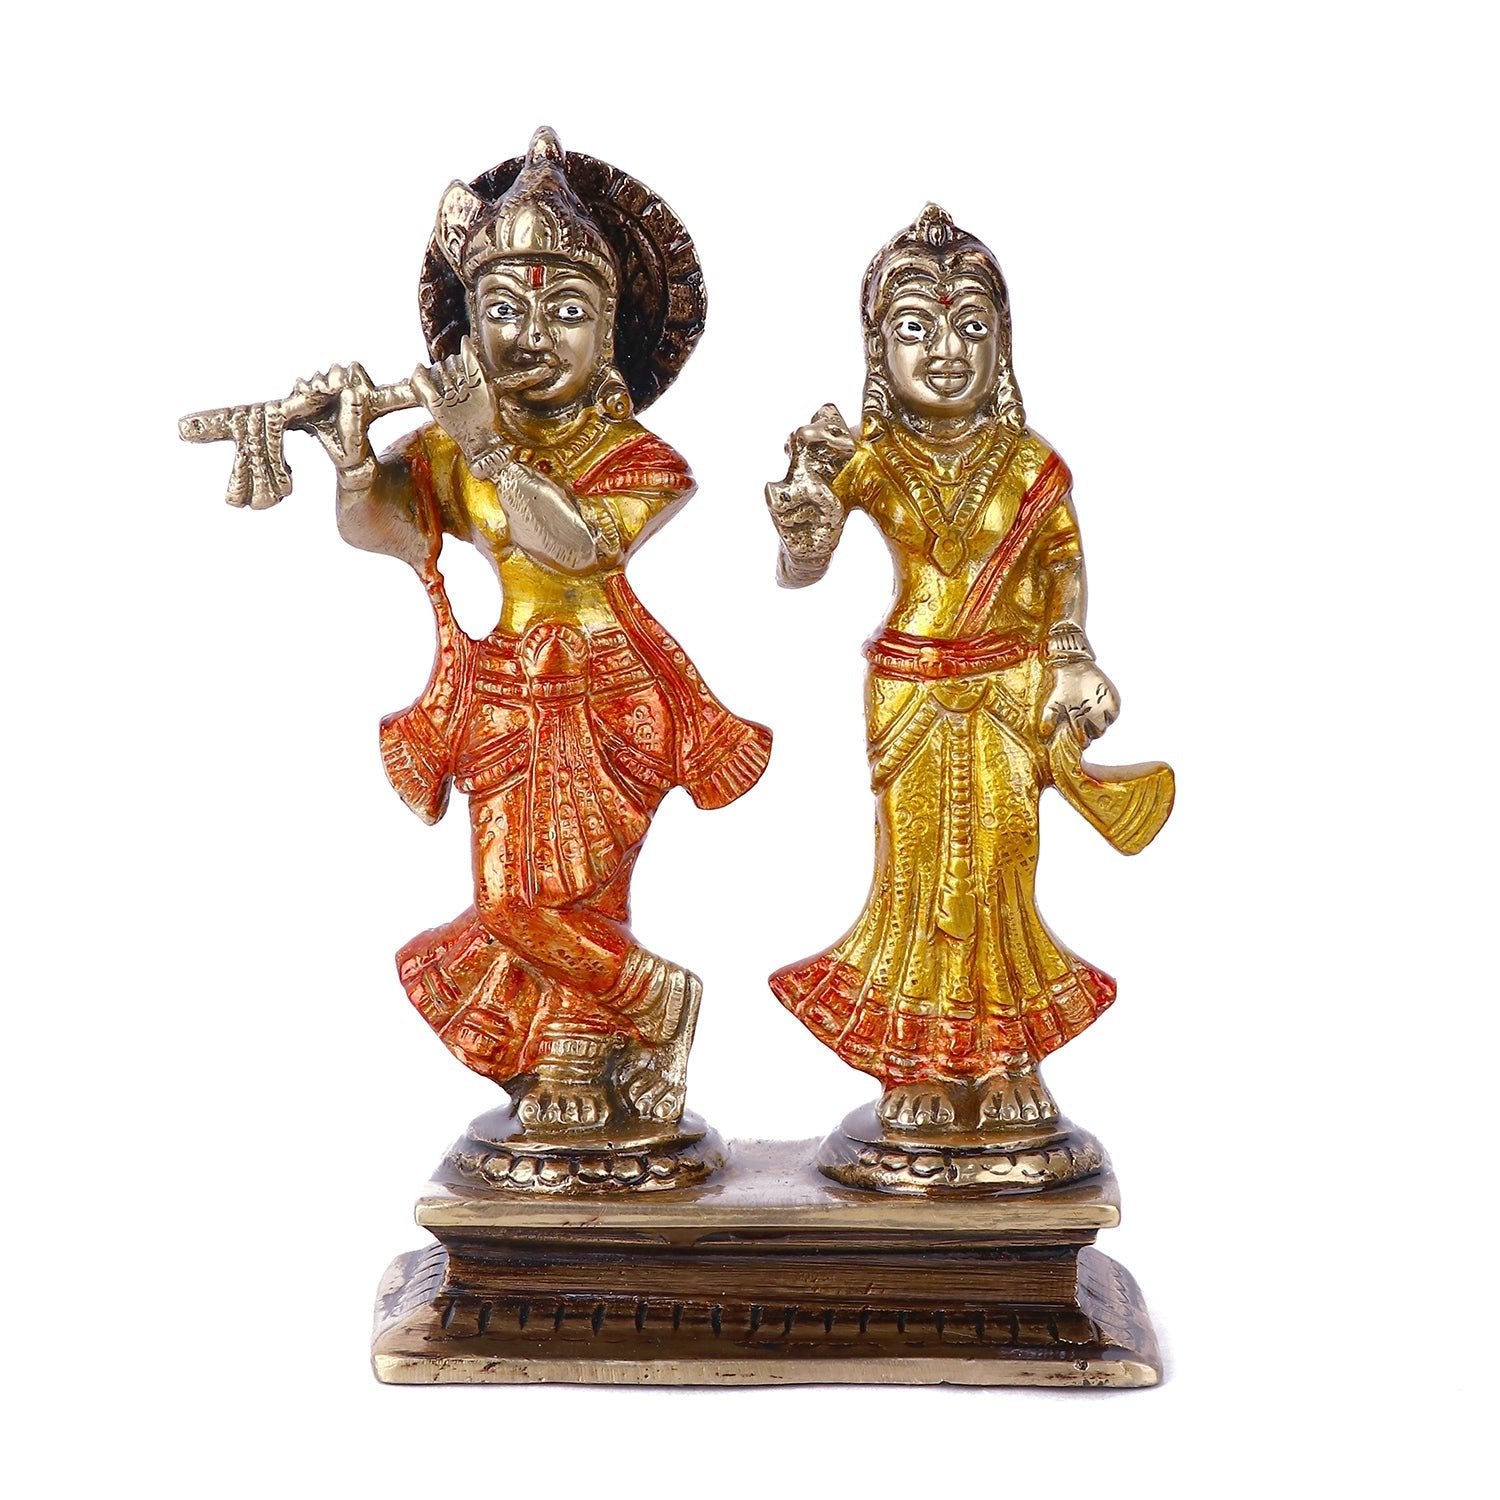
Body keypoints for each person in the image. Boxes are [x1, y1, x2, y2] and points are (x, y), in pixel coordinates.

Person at [301, 128, 770, 1132]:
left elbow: (578, 546)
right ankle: (581, 1044)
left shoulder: (637, 457)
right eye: (503, 310)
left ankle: (643, 1008)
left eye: (566, 312)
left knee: (564, 895)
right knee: (512, 898)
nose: (531, 338)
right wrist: (353, 461)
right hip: (501, 688)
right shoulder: (448, 447)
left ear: (612, 334)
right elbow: (388, 529)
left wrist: (486, 446)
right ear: (468, 328)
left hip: (612, 692)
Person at [767, 203, 1164, 1134]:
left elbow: (1064, 565)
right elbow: (801, 568)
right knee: (913, 871)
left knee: (1000, 864)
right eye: (916, 328)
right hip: (911, 690)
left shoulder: (1029, 464)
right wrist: (804, 512)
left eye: (971, 327)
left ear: (1003, 346)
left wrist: (1071, 653)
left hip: (1011, 690)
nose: (946, 350)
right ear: (878, 350)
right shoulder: (872, 455)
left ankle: (1004, 1054)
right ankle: (915, 1059)